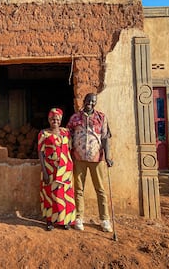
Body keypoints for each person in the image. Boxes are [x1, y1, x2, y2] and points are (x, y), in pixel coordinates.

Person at [66, 93, 114, 232]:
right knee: (79, 189)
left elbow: (105, 138)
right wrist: (68, 153)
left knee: (100, 189)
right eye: (89, 100)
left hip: (96, 158)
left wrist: (108, 157)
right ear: (84, 100)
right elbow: (68, 135)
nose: (91, 103)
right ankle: (79, 218)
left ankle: (105, 219)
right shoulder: (75, 117)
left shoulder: (101, 117)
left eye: (93, 101)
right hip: (79, 158)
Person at [38, 108, 76, 231]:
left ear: (61, 120)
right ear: (49, 120)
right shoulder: (43, 134)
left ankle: (66, 221)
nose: (55, 121)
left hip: (66, 170)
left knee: (65, 195)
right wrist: (44, 171)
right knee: (50, 195)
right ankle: (50, 221)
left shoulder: (66, 132)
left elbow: (70, 148)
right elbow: (40, 152)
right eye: (53, 119)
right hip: (50, 169)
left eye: (58, 119)